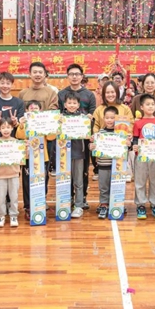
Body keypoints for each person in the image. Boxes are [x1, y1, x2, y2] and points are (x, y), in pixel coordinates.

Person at [58, 64, 96, 210]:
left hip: (82, 142)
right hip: (64, 144)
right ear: (67, 76)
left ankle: (82, 199)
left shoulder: (89, 94)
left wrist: (87, 120)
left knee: (82, 172)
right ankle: (67, 200)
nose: (74, 77)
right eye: (71, 74)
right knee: (66, 175)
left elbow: (92, 113)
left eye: (77, 74)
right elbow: (57, 114)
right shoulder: (61, 94)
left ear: (82, 76)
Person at [16, 100, 56, 220]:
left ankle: (40, 203)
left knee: (43, 181)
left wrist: (52, 125)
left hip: (43, 157)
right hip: (28, 157)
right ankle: (28, 207)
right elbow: (19, 136)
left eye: (36, 108)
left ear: (40, 110)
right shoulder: (24, 123)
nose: (33, 111)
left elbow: (51, 137)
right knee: (27, 181)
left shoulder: (43, 122)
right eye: (31, 109)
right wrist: (21, 124)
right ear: (26, 111)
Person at [132, 94, 155, 219]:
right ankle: (141, 204)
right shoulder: (138, 123)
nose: (151, 106)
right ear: (141, 107)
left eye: (152, 104)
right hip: (141, 156)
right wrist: (134, 146)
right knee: (140, 181)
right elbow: (135, 139)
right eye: (147, 104)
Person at [61, 92, 86, 218]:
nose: (72, 105)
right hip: (63, 153)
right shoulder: (60, 118)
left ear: (78, 105)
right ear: (65, 104)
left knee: (78, 181)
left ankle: (79, 205)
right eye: (69, 103)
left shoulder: (83, 118)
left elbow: (87, 134)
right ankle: (65, 203)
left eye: (74, 103)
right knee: (64, 180)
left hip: (78, 152)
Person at [90, 106, 119, 219]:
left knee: (116, 186)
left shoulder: (120, 133)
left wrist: (128, 143)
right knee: (103, 187)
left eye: (112, 118)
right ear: (103, 119)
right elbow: (93, 147)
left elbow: (127, 147)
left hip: (117, 166)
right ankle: (103, 205)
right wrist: (91, 146)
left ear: (117, 118)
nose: (110, 120)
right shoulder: (99, 133)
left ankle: (116, 204)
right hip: (103, 165)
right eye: (107, 118)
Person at [0, 117, 21, 228]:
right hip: (0, 175)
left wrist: (26, 148)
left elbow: (22, 157)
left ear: (12, 128)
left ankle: (14, 215)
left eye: (8, 127)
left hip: (14, 174)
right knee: (0, 197)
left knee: (14, 196)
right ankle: (1, 215)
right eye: (3, 127)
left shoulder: (16, 142)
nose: (6, 130)